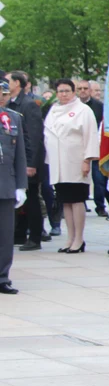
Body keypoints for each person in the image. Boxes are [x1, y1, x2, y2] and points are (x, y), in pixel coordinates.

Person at [44, 79, 98, 253]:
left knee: (76, 199)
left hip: (76, 160)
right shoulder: (53, 110)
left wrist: (87, 160)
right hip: (58, 162)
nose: (63, 94)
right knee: (65, 200)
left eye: (67, 91)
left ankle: (79, 239)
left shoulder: (83, 110)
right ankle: (70, 237)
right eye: (60, 91)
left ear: (73, 92)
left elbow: (91, 135)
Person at [7, 72, 47, 252]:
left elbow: (33, 135)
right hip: (16, 161)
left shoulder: (28, 104)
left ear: (17, 83)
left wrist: (31, 163)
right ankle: (20, 233)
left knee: (31, 199)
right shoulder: (10, 103)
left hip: (29, 161)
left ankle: (35, 236)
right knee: (19, 199)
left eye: (7, 81)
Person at [0, 97, 27, 295]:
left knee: (5, 235)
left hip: (5, 184)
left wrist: (21, 186)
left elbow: (19, 153)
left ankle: (2, 277)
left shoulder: (11, 118)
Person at [75, 79, 108, 218]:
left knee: (98, 178)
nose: (82, 91)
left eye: (85, 88)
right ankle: (80, 203)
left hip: (96, 146)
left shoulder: (99, 106)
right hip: (78, 147)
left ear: (90, 90)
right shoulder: (73, 107)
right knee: (78, 177)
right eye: (80, 88)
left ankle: (100, 205)